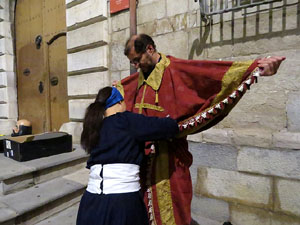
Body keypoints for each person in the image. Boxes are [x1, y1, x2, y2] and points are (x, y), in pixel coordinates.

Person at [115, 33, 286, 225]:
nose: (136, 66)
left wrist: (256, 68)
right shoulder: (135, 83)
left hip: (171, 162)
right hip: (142, 166)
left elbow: (211, 74)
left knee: (176, 214)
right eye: (133, 62)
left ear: (150, 49)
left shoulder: (177, 69)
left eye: (137, 60)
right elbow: (120, 95)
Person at [76, 86, 179, 225]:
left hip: (90, 202)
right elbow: (169, 126)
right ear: (119, 102)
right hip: (122, 203)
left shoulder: (94, 127)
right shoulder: (127, 120)